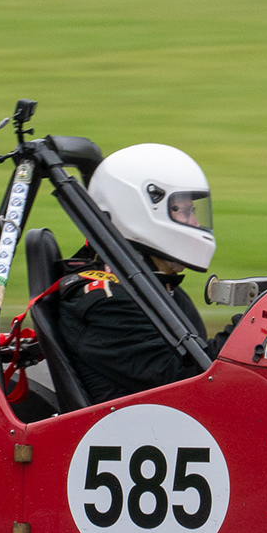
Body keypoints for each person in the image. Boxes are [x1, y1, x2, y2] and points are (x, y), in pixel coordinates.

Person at [53, 143, 231, 401]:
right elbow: (191, 377)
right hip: (140, 419)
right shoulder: (107, 303)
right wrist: (257, 326)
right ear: (138, 212)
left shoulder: (156, 288)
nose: (195, 223)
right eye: (184, 212)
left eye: (193, 212)